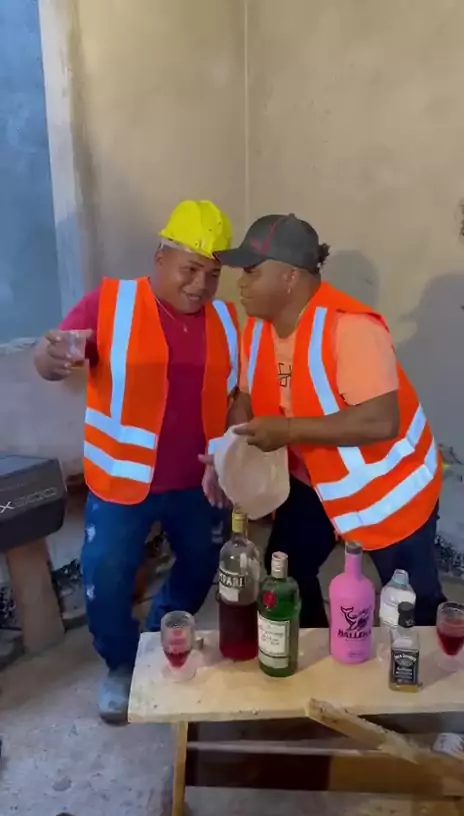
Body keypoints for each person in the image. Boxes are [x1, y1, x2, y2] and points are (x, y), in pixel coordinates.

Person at [34, 200, 239, 723]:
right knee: (106, 576)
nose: (200, 285)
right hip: (122, 481)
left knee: (202, 566)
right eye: (189, 269)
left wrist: (229, 455)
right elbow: (53, 354)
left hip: (199, 482)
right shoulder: (112, 303)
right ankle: (122, 665)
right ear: (160, 258)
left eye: (213, 275)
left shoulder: (227, 320)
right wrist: (49, 357)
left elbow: (236, 395)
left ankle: (157, 638)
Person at [214, 212, 445, 628]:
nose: (240, 283)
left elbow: (381, 422)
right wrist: (230, 449)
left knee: (413, 605)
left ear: (289, 277)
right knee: (286, 569)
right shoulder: (259, 331)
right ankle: (319, 652)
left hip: (390, 492)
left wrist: (287, 431)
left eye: (251, 271)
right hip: (318, 483)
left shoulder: (351, 328)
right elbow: (247, 397)